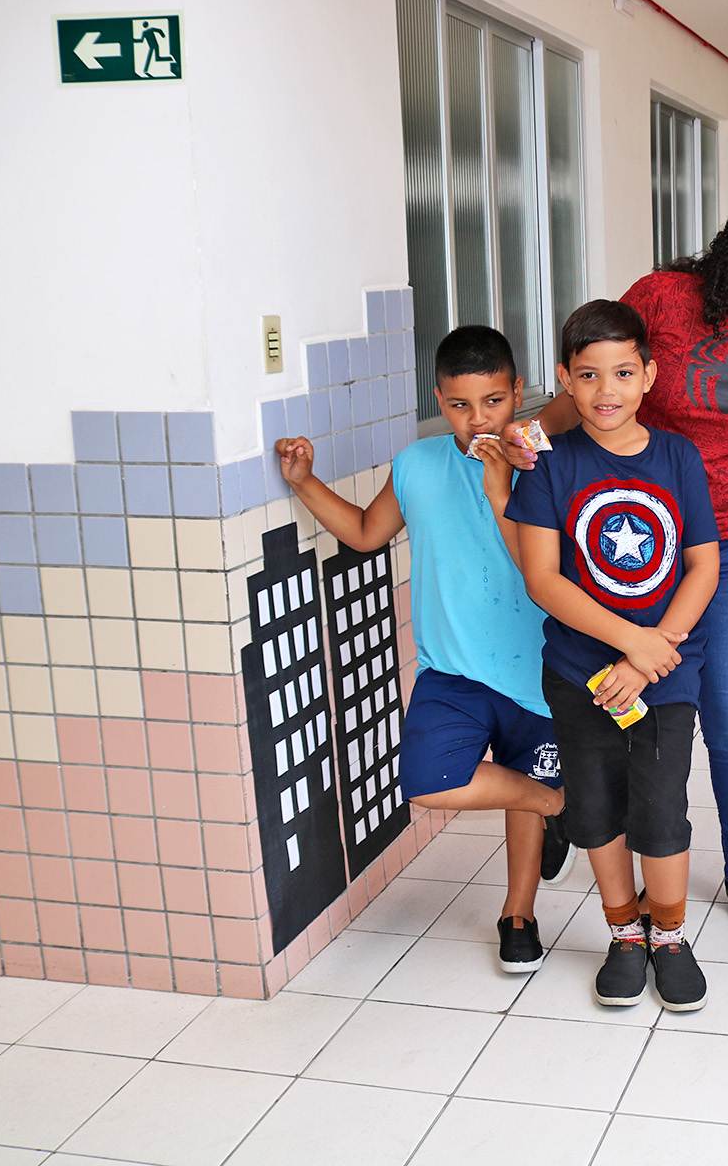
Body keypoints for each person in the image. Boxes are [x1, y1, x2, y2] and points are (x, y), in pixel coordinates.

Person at [533, 171, 728, 938]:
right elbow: (597, 376)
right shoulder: (666, 296)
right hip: (621, 537)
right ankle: (578, 813)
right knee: (600, 695)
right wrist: (528, 441)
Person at [274, 325, 569, 976]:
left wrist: (512, 461)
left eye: (493, 401)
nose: (477, 419)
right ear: (438, 400)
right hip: (451, 667)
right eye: (460, 405)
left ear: (517, 391)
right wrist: (303, 482)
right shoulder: (416, 463)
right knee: (436, 781)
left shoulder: (539, 457)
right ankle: (555, 804)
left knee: (524, 778)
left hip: (538, 665)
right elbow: (364, 532)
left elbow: (573, 410)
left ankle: (518, 914)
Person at [504, 300, 721, 1011]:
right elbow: (542, 579)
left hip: (665, 673)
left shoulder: (678, 456)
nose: (607, 390)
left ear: (649, 376)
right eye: (589, 374)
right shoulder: (549, 465)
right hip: (581, 674)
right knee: (595, 807)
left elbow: (703, 566)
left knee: (660, 807)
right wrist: (630, 643)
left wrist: (650, 656)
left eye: (623, 373)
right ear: (566, 379)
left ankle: (670, 935)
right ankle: (625, 933)